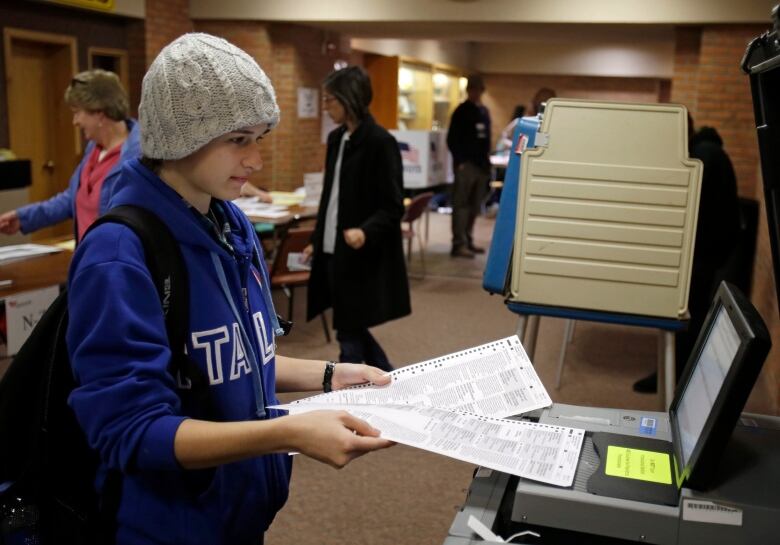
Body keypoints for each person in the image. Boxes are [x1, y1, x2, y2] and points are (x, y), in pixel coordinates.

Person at [66, 33, 394, 544]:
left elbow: (232, 360)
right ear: (180, 136)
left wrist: (331, 374)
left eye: (259, 137)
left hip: (237, 516)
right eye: (239, 139)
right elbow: (129, 432)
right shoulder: (119, 257)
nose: (257, 160)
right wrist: (287, 433)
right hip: (165, 527)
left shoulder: (229, 223)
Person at [304, 66, 410, 371]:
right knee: (349, 325)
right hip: (331, 245)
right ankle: (386, 375)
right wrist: (315, 237)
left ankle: (349, 385)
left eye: (330, 100)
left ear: (349, 100)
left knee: (348, 328)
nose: (325, 107)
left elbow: (393, 205)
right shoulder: (337, 138)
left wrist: (365, 231)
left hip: (358, 250)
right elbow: (329, 196)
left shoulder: (380, 142)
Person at [634, 117, 742, 393]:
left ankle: (677, 380)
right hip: (713, 247)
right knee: (691, 312)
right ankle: (678, 376)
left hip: (706, 250)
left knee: (688, 314)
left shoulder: (703, 156)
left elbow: (692, 207)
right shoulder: (707, 151)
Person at [0, 69, 140, 242]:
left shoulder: (140, 155)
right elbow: (71, 199)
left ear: (99, 113)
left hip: (113, 264)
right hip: (86, 260)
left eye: (76, 112)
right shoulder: (93, 149)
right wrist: (23, 218)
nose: (75, 122)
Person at [446, 74, 491, 258]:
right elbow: (452, 139)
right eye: (472, 89)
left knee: (474, 206)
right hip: (467, 166)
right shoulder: (461, 111)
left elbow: (485, 139)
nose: (475, 93)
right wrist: (461, 161)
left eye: (478, 89)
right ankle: (458, 244)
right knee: (461, 205)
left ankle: (468, 239)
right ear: (468, 90)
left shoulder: (484, 111)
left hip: (481, 166)